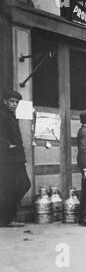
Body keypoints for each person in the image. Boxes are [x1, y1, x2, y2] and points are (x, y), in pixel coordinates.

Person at [0, 90, 31, 227]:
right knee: (9, 189)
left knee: (24, 184)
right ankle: (6, 219)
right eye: (11, 101)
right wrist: (7, 144)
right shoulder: (1, 115)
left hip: (17, 159)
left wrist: (22, 158)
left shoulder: (12, 116)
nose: (14, 104)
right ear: (5, 101)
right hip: (6, 159)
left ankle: (7, 216)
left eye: (16, 102)